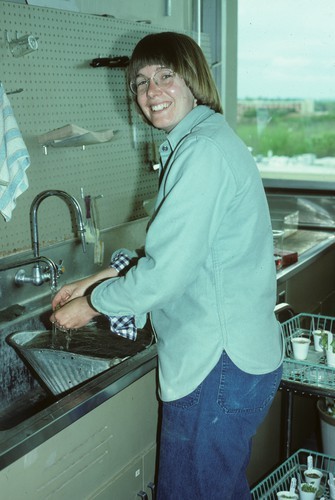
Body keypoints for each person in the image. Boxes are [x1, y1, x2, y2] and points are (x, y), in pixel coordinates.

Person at [51, 31, 284, 499]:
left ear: (193, 80)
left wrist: (93, 304)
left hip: (215, 363)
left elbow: (166, 274)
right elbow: (187, 252)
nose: (151, 92)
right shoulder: (202, 141)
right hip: (232, 358)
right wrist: (101, 277)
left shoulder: (200, 152)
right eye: (140, 82)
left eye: (165, 76)